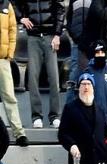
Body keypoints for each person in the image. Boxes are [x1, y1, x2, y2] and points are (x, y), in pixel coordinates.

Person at [18, 0, 65, 129]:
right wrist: (21, 18)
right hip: (33, 37)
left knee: (54, 78)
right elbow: (13, 4)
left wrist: (57, 35)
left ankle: (55, 116)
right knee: (32, 78)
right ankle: (36, 116)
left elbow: (60, 10)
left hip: (50, 37)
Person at [58, 72, 107, 164]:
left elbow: (105, 135)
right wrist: (72, 146)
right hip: (80, 162)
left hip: (99, 163)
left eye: (89, 84)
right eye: (83, 84)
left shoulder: (100, 110)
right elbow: (62, 134)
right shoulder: (70, 108)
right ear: (79, 88)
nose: (86, 87)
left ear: (93, 88)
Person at [0, 0, 29, 147]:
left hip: (3, 60)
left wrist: (10, 53)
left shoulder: (6, 5)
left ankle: (19, 134)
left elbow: (13, 29)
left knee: (9, 96)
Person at [84, 40, 107, 126]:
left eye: (102, 52)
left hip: (105, 118)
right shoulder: (87, 73)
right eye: (97, 53)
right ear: (94, 54)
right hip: (90, 118)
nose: (100, 55)